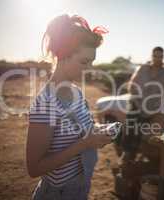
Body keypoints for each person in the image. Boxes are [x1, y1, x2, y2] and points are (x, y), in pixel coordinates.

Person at [26, 14, 112, 200]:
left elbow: (81, 132)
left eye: (92, 62)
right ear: (62, 55)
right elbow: (34, 168)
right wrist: (85, 144)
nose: (89, 68)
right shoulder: (46, 103)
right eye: (84, 62)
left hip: (79, 188)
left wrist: (97, 132)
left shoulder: (76, 92)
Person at [121, 46, 164, 158]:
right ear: (152, 56)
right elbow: (131, 85)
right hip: (136, 104)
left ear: (163, 57)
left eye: (160, 56)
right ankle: (125, 155)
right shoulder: (143, 68)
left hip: (151, 109)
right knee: (129, 129)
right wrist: (137, 97)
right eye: (155, 56)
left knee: (139, 133)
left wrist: (159, 106)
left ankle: (132, 157)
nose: (157, 59)